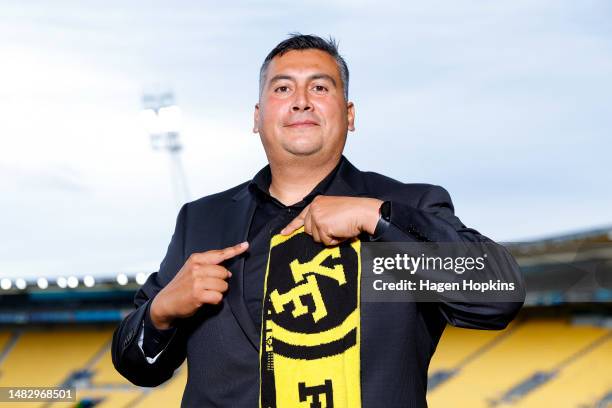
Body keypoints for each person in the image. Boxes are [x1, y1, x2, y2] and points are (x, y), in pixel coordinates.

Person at [112, 34, 525, 407]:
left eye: (320, 87)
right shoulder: (201, 221)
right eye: (283, 88)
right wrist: (162, 311)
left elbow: (499, 293)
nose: (301, 100)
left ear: (350, 115)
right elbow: (136, 365)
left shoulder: (406, 204)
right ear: (257, 118)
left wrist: (375, 216)